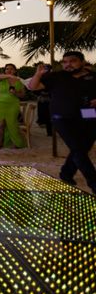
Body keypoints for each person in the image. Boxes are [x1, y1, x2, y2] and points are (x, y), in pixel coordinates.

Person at [29, 52, 96, 191]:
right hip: (62, 116)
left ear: (82, 62)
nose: (68, 64)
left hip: (88, 113)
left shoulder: (93, 76)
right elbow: (32, 87)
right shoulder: (56, 76)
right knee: (77, 148)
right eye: (65, 62)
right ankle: (94, 182)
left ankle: (66, 173)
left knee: (83, 147)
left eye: (73, 61)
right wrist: (38, 74)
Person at [0, 63, 26, 148]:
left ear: (15, 70)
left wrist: (15, 93)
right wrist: (11, 76)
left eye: (11, 69)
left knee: (12, 123)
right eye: (7, 69)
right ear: (5, 71)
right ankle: (0, 142)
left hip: (13, 104)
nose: (9, 70)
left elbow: (23, 95)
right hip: (0, 103)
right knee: (0, 124)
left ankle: (16, 143)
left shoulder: (19, 81)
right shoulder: (1, 79)